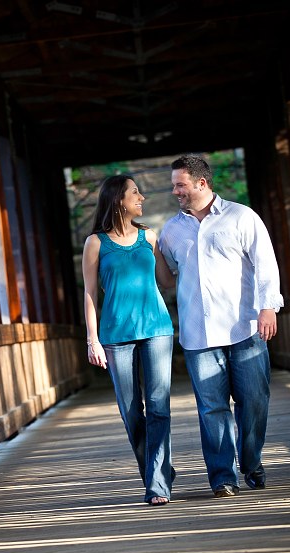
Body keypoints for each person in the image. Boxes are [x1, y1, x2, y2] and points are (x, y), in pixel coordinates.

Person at [158, 155, 283, 498]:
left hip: (245, 327)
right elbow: (166, 278)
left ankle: (251, 460)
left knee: (254, 400)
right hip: (198, 334)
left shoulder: (242, 217)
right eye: (174, 185)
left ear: (202, 183)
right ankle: (222, 477)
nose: (175, 191)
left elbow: (266, 265)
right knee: (211, 409)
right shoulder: (171, 230)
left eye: (180, 185)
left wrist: (268, 307)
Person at [82, 174, 176, 506]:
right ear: (118, 200)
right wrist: (92, 340)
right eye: (135, 193)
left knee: (159, 405)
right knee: (131, 411)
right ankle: (160, 469)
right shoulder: (96, 243)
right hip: (116, 335)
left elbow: (168, 280)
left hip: (157, 330)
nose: (142, 197)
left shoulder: (149, 237)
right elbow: (91, 294)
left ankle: (157, 482)